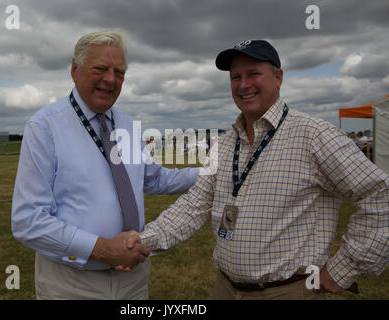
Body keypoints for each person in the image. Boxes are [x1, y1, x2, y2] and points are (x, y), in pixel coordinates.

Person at [125, 40, 389, 300]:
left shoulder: (313, 135)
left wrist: (343, 269)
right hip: (226, 288)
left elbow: (380, 196)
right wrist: (142, 241)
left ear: (278, 78)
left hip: (288, 290)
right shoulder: (227, 143)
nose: (243, 85)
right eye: (235, 77)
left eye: (253, 74)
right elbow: (194, 205)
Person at [11, 31, 199, 300]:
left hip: (133, 278)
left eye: (119, 72)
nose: (111, 79)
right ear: (75, 70)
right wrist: (100, 249)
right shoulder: (44, 128)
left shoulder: (127, 124)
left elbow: (155, 180)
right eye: (100, 69)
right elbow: (27, 221)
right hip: (72, 283)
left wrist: (213, 171)